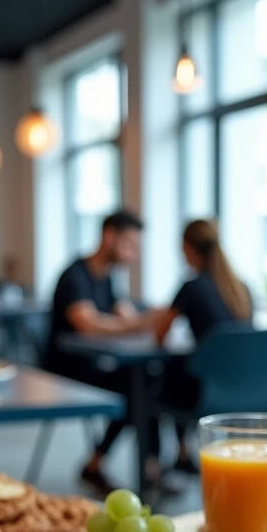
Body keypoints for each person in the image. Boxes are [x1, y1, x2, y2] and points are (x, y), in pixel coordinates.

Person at [46, 210, 166, 494]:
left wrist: (145, 320)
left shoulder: (109, 278)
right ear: (109, 236)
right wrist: (143, 322)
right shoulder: (74, 275)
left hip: (98, 365)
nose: (134, 255)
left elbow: (123, 314)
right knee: (137, 387)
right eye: (130, 245)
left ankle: (125, 464)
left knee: (148, 380)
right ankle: (147, 467)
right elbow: (88, 324)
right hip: (67, 371)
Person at [156, 219, 252, 474]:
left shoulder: (192, 286)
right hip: (246, 387)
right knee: (179, 372)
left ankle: (153, 468)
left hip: (207, 391)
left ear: (187, 248)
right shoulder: (241, 288)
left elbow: (160, 334)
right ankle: (182, 454)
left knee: (152, 385)